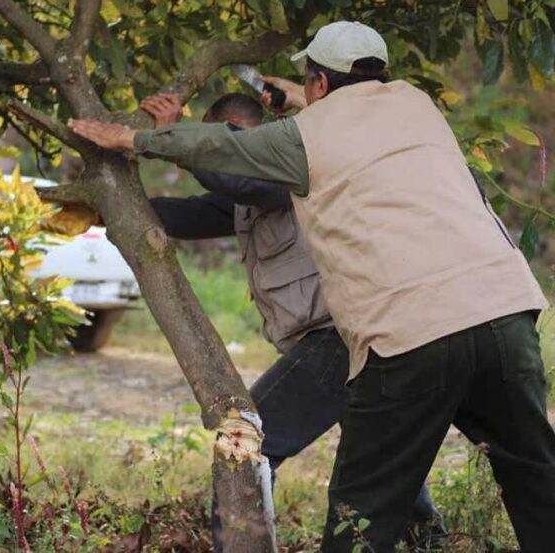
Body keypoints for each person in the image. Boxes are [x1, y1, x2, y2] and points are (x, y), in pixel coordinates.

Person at [67, 21, 555, 552]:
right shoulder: (416, 105)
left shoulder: (301, 140)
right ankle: (430, 539)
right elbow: (334, 119)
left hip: (408, 332)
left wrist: (133, 139)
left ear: (320, 84)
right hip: (506, 311)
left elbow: (223, 153)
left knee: (359, 514)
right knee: (535, 478)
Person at [139, 91, 443, 550]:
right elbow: (195, 212)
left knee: (244, 443)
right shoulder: (247, 194)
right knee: (376, 459)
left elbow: (239, 181)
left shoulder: (286, 175)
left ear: (238, 136)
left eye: (212, 140)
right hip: (345, 341)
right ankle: (433, 540)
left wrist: (173, 137)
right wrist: (112, 207)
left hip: (337, 339)